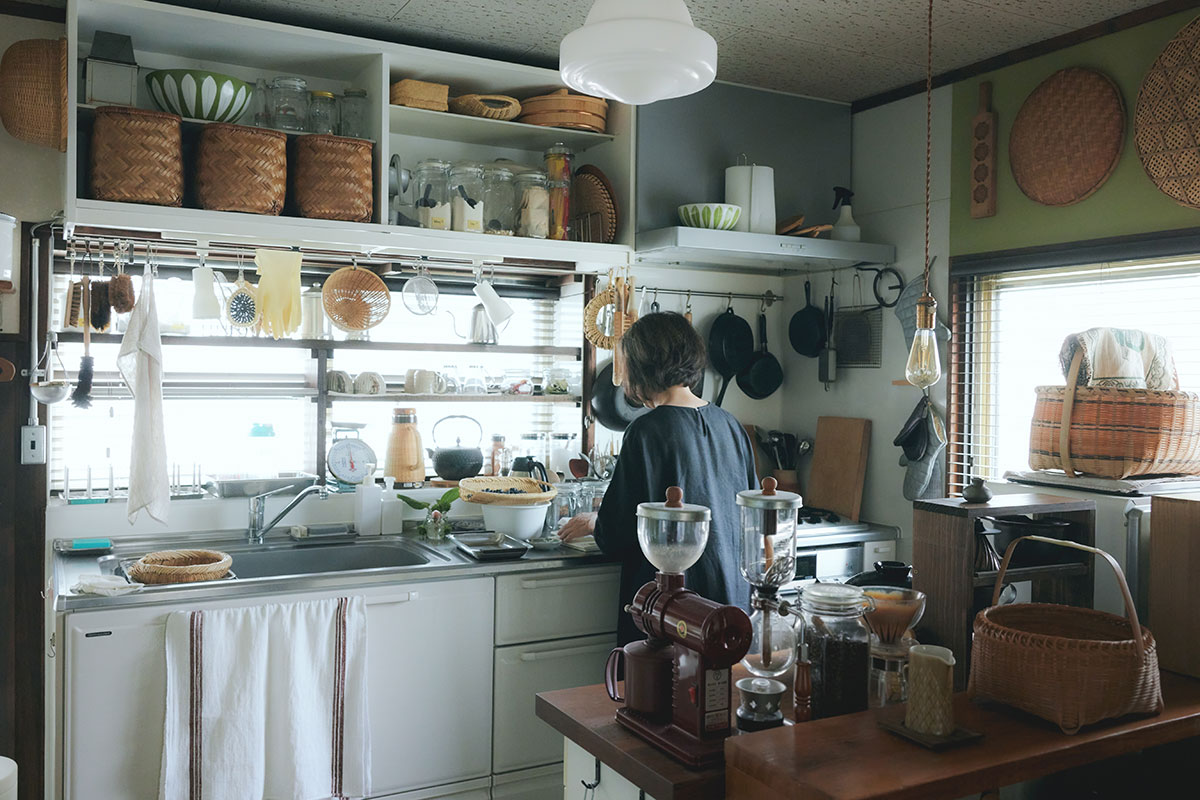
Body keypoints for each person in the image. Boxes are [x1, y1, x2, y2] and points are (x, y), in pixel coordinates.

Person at [559, 312, 757, 645]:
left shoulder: (647, 431)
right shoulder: (730, 424)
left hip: (675, 608)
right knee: (719, 690)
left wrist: (595, 521)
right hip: (732, 597)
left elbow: (619, 533)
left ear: (640, 368)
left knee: (662, 691)